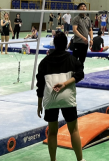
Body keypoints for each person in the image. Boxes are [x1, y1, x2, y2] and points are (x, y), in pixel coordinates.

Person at [36, 31, 85, 161]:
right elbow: (80, 74)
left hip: (51, 99)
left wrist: (39, 104)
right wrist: (65, 83)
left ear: (54, 45)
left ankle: (53, 160)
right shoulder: (72, 59)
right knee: (74, 130)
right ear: (66, 45)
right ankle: (80, 160)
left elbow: (40, 85)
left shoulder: (44, 62)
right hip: (67, 98)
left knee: (52, 132)